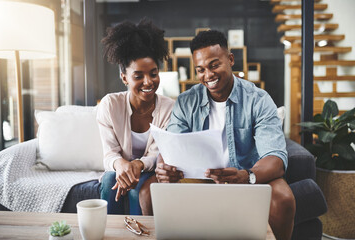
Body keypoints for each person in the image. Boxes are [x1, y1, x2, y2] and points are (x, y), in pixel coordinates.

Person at [140, 30, 296, 240]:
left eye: (214, 65)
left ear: (230, 59)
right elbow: (172, 145)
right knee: (148, 191)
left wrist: (247, 176)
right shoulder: (187, 101)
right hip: (198, 178)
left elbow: (276, 158)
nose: (208, 75)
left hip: (245, 176)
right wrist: (164, 167)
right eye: (200, 70)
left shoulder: (258, 99)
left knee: (283, 199)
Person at [97, 19, 174, 215]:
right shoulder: (110, 104)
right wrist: (121, 165)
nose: (148, 82)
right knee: (109, 180)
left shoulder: (169, 108)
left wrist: (138, 164)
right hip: (119, 171)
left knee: (136, 190)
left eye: (153, 74)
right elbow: (109, 153)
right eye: (138, 76)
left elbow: (158, 154)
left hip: (149, 172)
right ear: (124, 77)